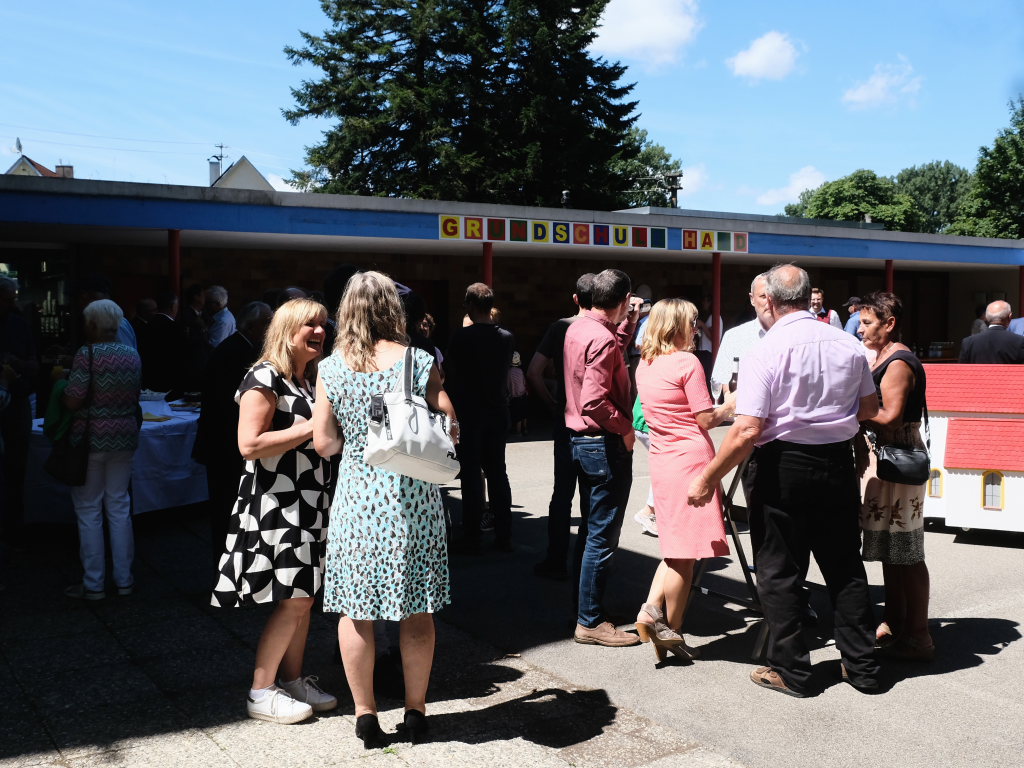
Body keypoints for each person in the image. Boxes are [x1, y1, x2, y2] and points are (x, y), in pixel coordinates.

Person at [687, 264, 881, 696]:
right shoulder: (848, 343)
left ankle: (791, 670)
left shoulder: (767, 349)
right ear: (809, 297)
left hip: (783, 465)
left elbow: (747, 429)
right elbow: (869, 409)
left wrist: (706, 479)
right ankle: (862, 667)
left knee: (779, 570)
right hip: (835, 462)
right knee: (844, 567)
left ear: (771, 301)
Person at [313, 271, 455, 748]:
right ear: (393, 309)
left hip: (358, 500)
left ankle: (365, 714)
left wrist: (359, 438)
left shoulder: (331, 368)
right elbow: (449, 423)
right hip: (413, 498)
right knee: (417, 611)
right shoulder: (418, 360)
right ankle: (415, 711)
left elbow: (324, 443)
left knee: (356, 612)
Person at [210, 298, 336, 725]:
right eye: (309, 325)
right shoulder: (264, 375)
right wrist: (311, 426)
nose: (320, 331)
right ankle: (261, 691)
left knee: (303, 597)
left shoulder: (307, 379)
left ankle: (293, 680)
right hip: (279, 502)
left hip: (309, 501)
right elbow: (248, 445)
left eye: (323, 324)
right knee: (296, 601)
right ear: (287, 330)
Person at [634, 299, 735, 662]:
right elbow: (705, 419)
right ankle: (672, 631)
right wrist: (731, 404)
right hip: (691, 459)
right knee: (685, 556)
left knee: (674, 547)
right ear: (676, 326)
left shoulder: (645, 364)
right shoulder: (686, 362)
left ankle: (650, 610)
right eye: (691, 323)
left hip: (663, 459)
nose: (695, 330)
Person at [564, 268, 642, 648]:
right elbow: (594, 401)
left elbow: (607, 353)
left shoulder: (580, 328)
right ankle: (590, 621)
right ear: (624, 299)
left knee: (591, 531)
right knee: (601, 536)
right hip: (603, 444)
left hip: (582, 442)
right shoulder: (602, 337)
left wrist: (628, 325)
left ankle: (585, 608)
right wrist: (625, 428)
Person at [857, 291, 933, 661]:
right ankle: (895, 621)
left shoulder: (899, 361)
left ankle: (919, 634)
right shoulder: (886, 356)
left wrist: (850, 409)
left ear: (889, 324)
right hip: (888, 461)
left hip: (899, 460)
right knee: (893, 549)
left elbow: (890, 417)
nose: (860, 329)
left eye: (867, 322)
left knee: (907, 550)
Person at [62, 300, 142, 600]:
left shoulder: (88, 354)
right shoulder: (132, 354)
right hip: (125, 436)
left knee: (88, 509)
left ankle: (94, 583)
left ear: (93, 324)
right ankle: (124, 580)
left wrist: (60, 384)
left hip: (92, 439)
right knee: (119, 507)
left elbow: (73, 400)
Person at [194, 301, 273, 567]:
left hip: (227, 443)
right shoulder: (235, 352)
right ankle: (227, 564)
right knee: (226, 507)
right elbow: (230, 405)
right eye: (266, 323)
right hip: (225, 446)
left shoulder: (241, 348)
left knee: (232, 507)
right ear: (252, 326)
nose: (270, 328)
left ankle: (235, 560)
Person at [528, 273, 594, 580]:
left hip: (564, 421)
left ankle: (556, 558)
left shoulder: (559, 327)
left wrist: (552, 402)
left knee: (562, 494)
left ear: (575, 298)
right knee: (591, 498)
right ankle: (587, 563)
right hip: (595, 424)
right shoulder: (605, 330)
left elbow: (534, 371)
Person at [444, 283, 515, 552]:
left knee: (472, 474)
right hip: (497, 411)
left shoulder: (461, 337)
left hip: (469, 412)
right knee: (498, 472)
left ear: (471, 305)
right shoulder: (506, 338)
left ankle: (473, 535)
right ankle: (504, 534)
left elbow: (451, 374)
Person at [958, 300, 1024, 364]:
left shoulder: (968, 342)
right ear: (1010, 317)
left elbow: (961, 370)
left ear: (987, 317)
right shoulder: (1019, 341)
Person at [508, 351, 528, 435]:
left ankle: (518, 432)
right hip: (523, 395)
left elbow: (508, 386)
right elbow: (524, 383)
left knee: (517, 416)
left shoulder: (508, 372)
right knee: (524, 414)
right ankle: (525, 429)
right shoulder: (520, 371)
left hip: (515, 397)